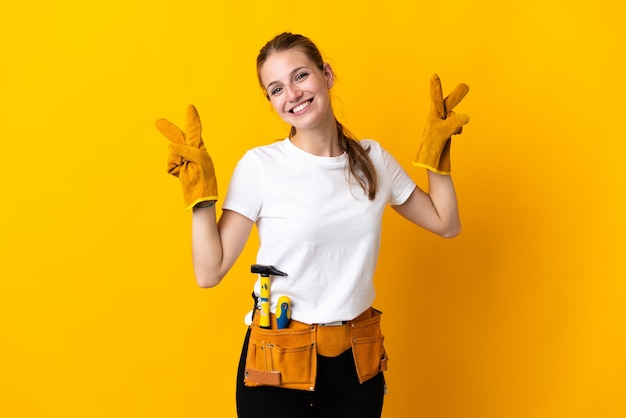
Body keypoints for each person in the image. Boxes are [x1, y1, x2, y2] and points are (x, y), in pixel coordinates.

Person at [155, 32, 469, 418]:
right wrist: (201, 197)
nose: (292, 93)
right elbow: (209, 271)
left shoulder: (374, 160)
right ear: (270, 102)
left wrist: (435, 155)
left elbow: (446, 222)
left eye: (300, 76)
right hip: (276, 365)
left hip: (357, 362)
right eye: (276, 88)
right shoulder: (260, 166)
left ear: (327, 75)